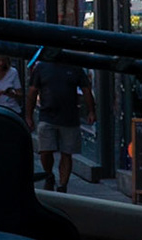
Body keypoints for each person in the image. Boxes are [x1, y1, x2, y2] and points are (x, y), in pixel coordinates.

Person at [26, 55, 95, 192]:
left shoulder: (74, 67)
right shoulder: (42, 67)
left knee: (66, 153)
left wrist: (91, 111)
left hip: (69, 117)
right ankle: (49, 174)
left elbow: (86, 90)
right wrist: (29, 115)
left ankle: (63, 185)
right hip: (47, 115)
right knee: (45, 151)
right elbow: (32, 92)